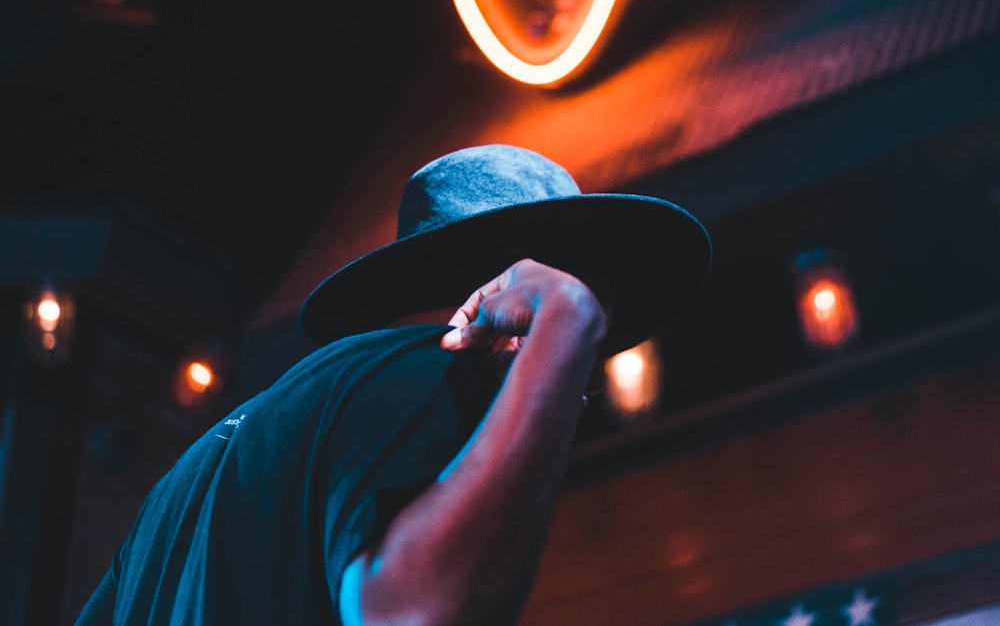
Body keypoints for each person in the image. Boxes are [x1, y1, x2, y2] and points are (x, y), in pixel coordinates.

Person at [74, 144, 711, 626]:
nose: (575, 395)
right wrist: (569, 324)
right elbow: (410, 614)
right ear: (518, 313)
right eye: (578, 365)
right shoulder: (436, 372)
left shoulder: (180, 486)